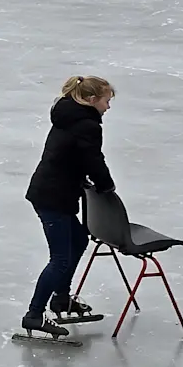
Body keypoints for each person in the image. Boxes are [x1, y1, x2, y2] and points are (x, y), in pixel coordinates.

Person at [21, 76, 117, 339]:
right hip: (53, 197)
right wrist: (106, 185)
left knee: (78, 240)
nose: (108, 107)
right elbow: (93, 159)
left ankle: (61, 299)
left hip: (53, 191)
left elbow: (73, 155)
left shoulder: (68, 115)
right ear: (92, 100)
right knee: (61, 259)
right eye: (107, 101)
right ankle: (34, 315)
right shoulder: (86, 125)